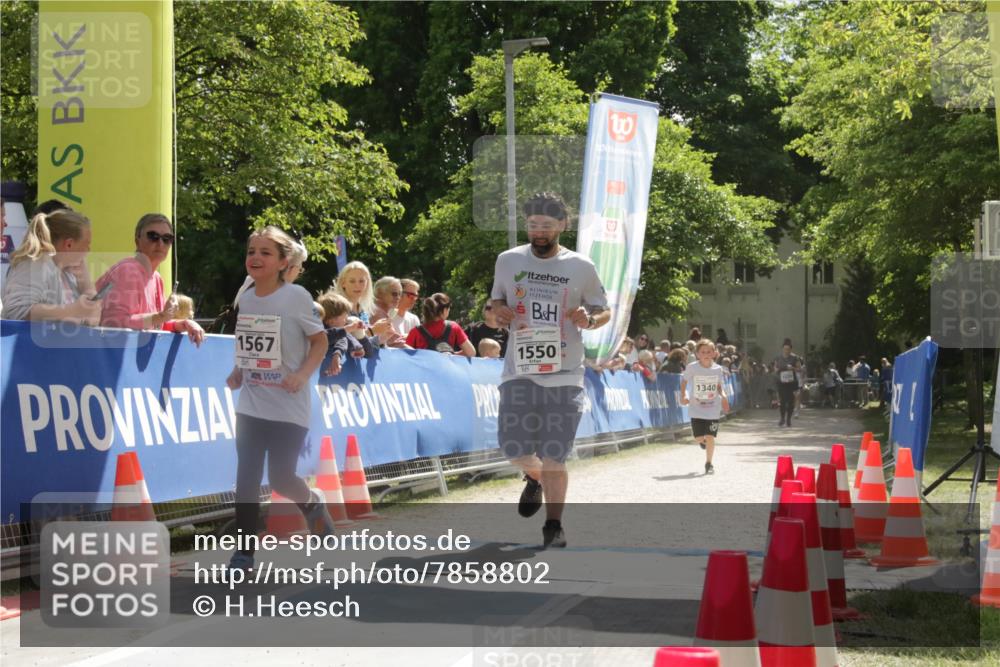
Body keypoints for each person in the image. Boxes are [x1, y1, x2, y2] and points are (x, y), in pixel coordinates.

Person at [490, 191, 610, 548]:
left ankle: (553, 525)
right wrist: (499, 311)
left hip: (566, 373)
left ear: (562, 225)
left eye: (546, 225)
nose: (538, 231)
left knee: (555, 454)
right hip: (520, 370)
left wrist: (588, 318)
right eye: (532, 225)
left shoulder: (581, 266)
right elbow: (494, 301)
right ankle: (537, 478)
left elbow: (603, 309)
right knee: (513, 449)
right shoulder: (508, 261)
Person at [225, 226, 332, 571]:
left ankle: (313, 504)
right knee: (247, 476)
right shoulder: (246, 296)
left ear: (284, 262)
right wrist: (239, 370)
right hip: (253, 402)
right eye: (251, 251)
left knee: (282, 477)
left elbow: (321, 342)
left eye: (265, 253)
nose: (255, 257)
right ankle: (244, 552)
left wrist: (301, 376)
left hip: (289, 403)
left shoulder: (297, 296)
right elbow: (249, 342)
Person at [96, 213, 204, 345]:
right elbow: (114, 324)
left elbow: (156, 325)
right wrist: (160, 317)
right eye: (153, 236)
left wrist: (183, 324)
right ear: (137, 241)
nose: (160, 243)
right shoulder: (127, 271)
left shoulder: (157, 278)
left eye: (167, 238)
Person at [1, 209, 102, 324]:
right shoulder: (34, 264)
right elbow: (17, 311)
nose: (88, 251)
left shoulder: (68, 273)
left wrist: (86, 286)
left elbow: (92, 321)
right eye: (87, 245)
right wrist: (72, 311)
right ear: (69, 244)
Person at [680, 339, 730, 475]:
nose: (706, 354)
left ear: (714, 353)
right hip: (696, 408)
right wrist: (683, 395)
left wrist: (724, 397)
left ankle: (709, 463)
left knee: (710, 436)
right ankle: (702, 442)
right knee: (698, 437)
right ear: (697, 354)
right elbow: (684, 381)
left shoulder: (718, 369)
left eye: (709, 352)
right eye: (703, 352)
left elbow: (719, 386)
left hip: (713, 408)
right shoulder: (692, 367)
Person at [318, 291, 373, 376]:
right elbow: (326, 337)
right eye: (345, 316)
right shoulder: (319, 332)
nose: (347, 319)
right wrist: (337, 355)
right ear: (331, 321)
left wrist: (360, 335)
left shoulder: (345, 332)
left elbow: (368, 353)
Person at [405, 292, 475, 356]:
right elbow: (471, 352)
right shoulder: (453, 327)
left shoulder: (415, 331)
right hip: (446, 369)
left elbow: (405, 355)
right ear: (445, 310)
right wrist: (452, 355)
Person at [371, 276, 410, 348]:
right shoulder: (376, 312)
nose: (398, 298)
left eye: (400, 294)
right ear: (380, 292)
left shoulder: (381, 312)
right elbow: (390, 343)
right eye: (394, 294)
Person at [773, 338, 801, 427]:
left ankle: (788, 419)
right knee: (782, 401)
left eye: (788, 349)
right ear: (782, 349)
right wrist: (778, 370)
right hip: (781, 382)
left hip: (791, 383)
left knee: (791, 401)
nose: (786, 351)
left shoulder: (795, 358)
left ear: (790, 349)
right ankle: (782, 419)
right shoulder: (778, 357)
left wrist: (792, 368)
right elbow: (775, 368)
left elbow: (800, 369)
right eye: (785, 349)